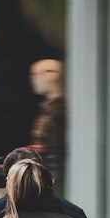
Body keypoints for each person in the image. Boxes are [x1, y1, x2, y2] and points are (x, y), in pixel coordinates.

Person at [28, 59, 66, 189]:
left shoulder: (57, 113)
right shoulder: (48, 111)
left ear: (51, 75)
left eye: (36, 75)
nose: (33, 79)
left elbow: (56, 158)